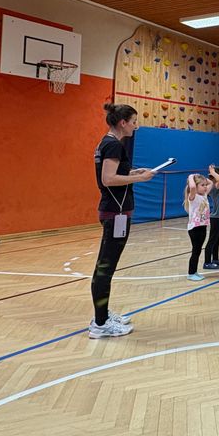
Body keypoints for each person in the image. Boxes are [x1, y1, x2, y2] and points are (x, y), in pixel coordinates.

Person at [90, 103, 155, 338]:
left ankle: (103, 314)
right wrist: (140, 179)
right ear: (123, 122)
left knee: (106, 267)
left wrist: (136, 173)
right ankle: (100, 324)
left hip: (115, 210)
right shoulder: (114, 144)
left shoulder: (107, 143)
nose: (136, 126)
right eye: (134, 121)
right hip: (115, 212)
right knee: (105, 269)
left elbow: (114, 174)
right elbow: (108, 179)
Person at [185, 173, 212, 281]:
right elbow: (191, 187)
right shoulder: (193, 196)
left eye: (205, 185)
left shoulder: (204, 195)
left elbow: (211, 183)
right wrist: (191, 176)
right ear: (196, 186)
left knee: (198, 250)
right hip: (195, 228)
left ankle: (195, 271)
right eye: (202, 185)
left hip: (203, 226)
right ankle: (191, 273)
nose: (205, 187)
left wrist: (204, 180)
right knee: (195, 250)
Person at [203, 165, 219, 270]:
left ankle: (215, 259)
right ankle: (207, 262)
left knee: (217, 239)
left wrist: (214, 172)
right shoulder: (213, 186)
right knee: (212, 240)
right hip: (216, 217)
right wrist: (212, 171)